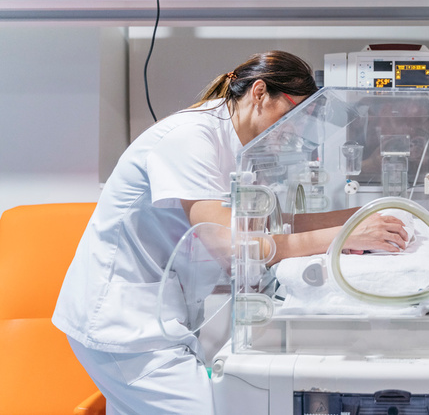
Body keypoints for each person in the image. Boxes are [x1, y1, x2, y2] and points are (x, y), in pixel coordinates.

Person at [52, 51, 408, 414]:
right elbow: (231, 244)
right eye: (290, 117)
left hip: (154, 316)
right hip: (120, 323)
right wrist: (344, 237)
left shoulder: (241, 147)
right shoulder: (190, 138)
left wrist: (364, 215)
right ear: (258, 93)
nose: (293, 133)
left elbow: (270, 225)